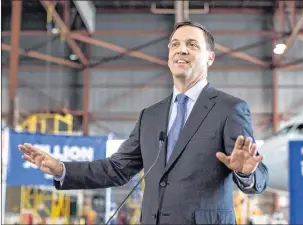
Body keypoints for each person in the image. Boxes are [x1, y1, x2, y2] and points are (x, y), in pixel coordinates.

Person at [19, 21, 268, 224]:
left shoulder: (229, 108)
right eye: (175, 45)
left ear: (210, 58)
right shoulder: (150, 115)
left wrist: (246, 172)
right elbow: (116, 169)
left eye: (192, 45)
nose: (182, 50)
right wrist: (62, 169)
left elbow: (259, 177)